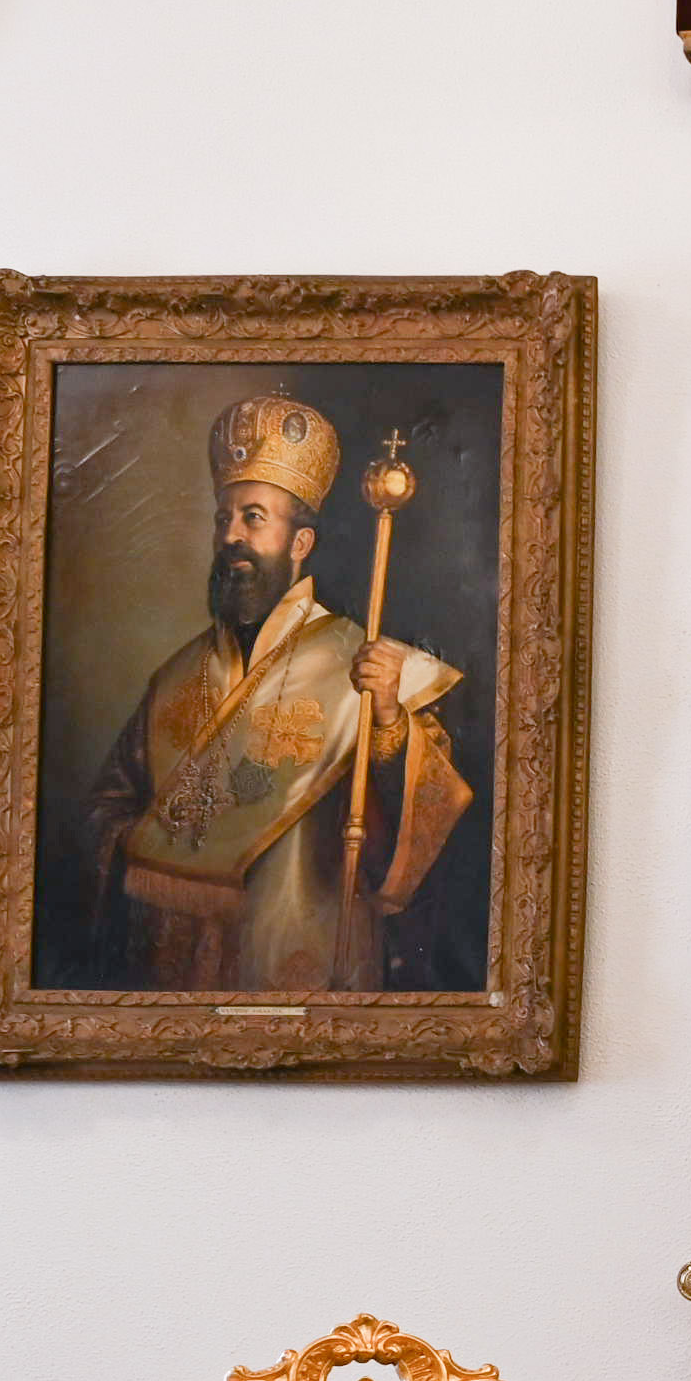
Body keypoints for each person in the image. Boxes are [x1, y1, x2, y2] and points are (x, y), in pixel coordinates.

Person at [76, 393, 471, 990]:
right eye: (224, 518)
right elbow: (110, 803)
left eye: (253, 518)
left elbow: (426, 817)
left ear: (300, 544)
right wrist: (142, 844)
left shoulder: (364, 665)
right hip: (174, 967)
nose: (231, 536)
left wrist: (390, 721)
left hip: (302, 949)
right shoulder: (177, 674)